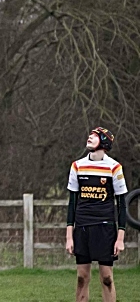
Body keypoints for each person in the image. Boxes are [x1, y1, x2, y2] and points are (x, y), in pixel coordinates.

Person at [66, 127, 127, 302]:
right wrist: (69, 237)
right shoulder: (77, 166)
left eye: (95, 136)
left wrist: (120, 238)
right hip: (82, 227)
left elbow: (122, 204)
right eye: (90, 135)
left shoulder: (114, 167)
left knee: (107, 278)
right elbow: (72, 204)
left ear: (105, 142)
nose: (90, 137)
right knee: (81, 278)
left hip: (105, 228)